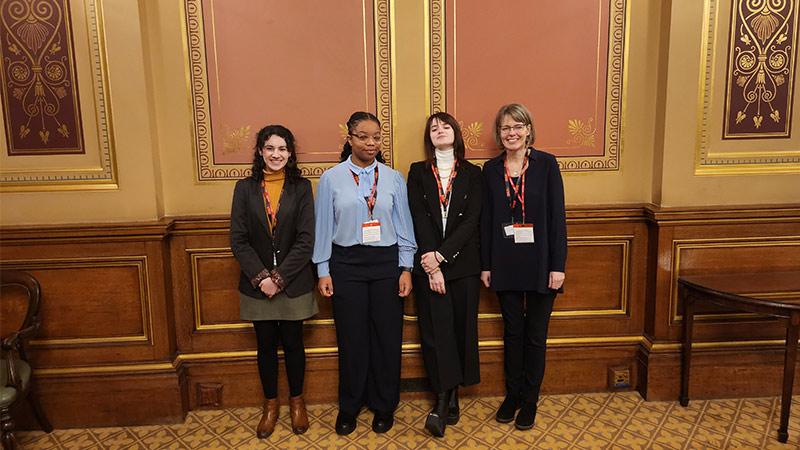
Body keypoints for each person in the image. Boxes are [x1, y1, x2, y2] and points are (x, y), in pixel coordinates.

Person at [312, 111, 417, 435]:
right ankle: (350, 405)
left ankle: (385, 405)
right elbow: (323, 227)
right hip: (346, 265)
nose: (370, 143)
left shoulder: (393, 178)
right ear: (350, 138)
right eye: (363, 136)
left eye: (376, 137)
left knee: (387, 338)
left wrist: (406, 268)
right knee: (352, 338)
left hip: (386, 265)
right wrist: (323, 270)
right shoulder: (331, 178)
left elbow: (404, 226)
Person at [479, 103, 567, 431]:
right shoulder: (490, 169)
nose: (511, 133)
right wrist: (487, 265)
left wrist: (557, 266)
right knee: (513, 333)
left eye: (518, 126)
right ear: (498, 134)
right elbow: (487, 220)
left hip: (542, 262)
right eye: (505, 128)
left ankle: (530, 399)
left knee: (535, 335)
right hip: (505, 262)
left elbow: (557, 218)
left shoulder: (546, 164)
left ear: (528, 129)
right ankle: (512, 394)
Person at [230, 125, 318, 439]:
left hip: (293, 283)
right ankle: (270, 406)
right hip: (257, 286)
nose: (276, 154)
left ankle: (297, 402)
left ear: (291, 153)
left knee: (294, 344)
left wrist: (279, 279)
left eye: (282, 149)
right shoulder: (244, 188)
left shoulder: (302, 187)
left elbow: (306, 241)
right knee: (265, 346)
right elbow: (238, 240)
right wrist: (263, 278)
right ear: (260, 151)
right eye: (270, 148)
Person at [406, 112, 482, 437]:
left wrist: (441, 256)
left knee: (462, 329)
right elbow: (418, 217)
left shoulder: (473, 174)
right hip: (427, 266)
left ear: (456, 133)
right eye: (433, 128)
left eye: (445, 126)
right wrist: (430, 261)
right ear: (429, 137)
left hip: (462, 266)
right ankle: (442, 397)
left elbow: (471, 222)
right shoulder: (417, 172)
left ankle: (454, 393)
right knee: (436, 334)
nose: (439, 130)